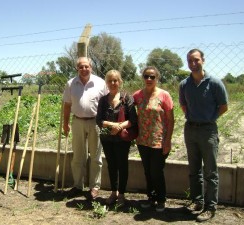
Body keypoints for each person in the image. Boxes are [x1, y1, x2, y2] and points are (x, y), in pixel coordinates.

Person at [179, 49, 228, 222]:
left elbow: (223, 106)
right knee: (194, 170)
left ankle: (210, 207)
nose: (193, 63)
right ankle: (197, 201)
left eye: (196, 60)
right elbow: (184, 106)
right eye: (190, 60)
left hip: (208, 131)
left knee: (210, 171)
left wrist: (209, 118)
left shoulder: (214, 83)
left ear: (203, 60)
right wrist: (195, 118)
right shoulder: (184, 84)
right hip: (190, 130)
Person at [63, 56, 108, 200]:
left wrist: (107, 123)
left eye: (86, 66)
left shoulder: (100, 83)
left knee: (95, 156)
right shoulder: (71, 84)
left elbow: (107, 104)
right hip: (77, 122)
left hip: (96, 122)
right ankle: (77, 185)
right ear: (77, 68)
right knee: (78, 156)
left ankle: (94, 187)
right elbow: (67, 105)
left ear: (91, 67)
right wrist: (65, 123)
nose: (84, 69)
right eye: (81, 66)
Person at [133, 66, 174, 212]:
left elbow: (170, 120)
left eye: (152, 77)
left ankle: (161, 199)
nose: (149, 79)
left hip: (159, 140)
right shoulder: (137, 95)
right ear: (143, 78)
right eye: (146, 76)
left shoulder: (164, 96)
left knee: (156, 171)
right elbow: (130, 112)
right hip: (143, 140)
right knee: (147, 171)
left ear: (157, 78)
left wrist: (168, 141)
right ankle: (151, 198)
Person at [96, 70, 138, 206]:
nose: (113, 83)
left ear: (120, 82)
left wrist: (119, 127)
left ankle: (122, 194)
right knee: (111, 165)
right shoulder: (103, 100)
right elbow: (99, 120)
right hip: (107, 138)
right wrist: (112, 125)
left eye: (115, 80)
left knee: (122, 165)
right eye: (110, 81)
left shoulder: (127, 98)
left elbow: (132, 120)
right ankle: (113, 192)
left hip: (122, 139)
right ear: (106, 83)